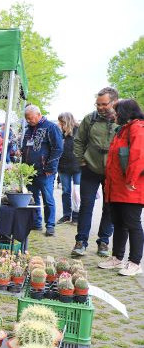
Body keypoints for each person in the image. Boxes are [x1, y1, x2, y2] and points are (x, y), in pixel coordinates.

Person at [98, 99, 144, 276]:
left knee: (132, 223)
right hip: (117, 186)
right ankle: (117, 257)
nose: (114, 115)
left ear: (125, 112)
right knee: (118, 222)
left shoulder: (137, 128)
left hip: (131, 187)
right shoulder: (122, 129)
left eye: (117, 112)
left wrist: (131, 180)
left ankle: (135, 262)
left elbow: (138, 155)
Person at [72, 87, 119, 257]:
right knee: (86, 206)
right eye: (98, 104)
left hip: (112, 171)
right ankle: (81, 241)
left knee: (109, 207)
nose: (100, 107)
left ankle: (104, 242)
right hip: (90, 168)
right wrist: (81, 160)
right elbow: (78, 141)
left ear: (114, 102)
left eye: (104, 104)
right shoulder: (89, 119)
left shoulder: (121, 119)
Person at [21, 105, 63, 236]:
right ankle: (36, 222)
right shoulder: (28, 129)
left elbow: (58, 148)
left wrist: (50, 167)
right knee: (33, 198)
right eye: (26, 118)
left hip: (45, 171)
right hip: (30, 170)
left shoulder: (51, 127)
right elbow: (25, 146)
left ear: (38, 115)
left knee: (47, 198)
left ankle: (50, 225)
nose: (28, 120)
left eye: (30, 118)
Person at [57, 112, 82, 224]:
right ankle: (66, 215)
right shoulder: (60, 132)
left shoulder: (79, 130)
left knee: (77, 192)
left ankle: (77, 215)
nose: (60, 124)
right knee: (66, 191)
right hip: (63, 166)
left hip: (77, 166)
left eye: (61, 122)